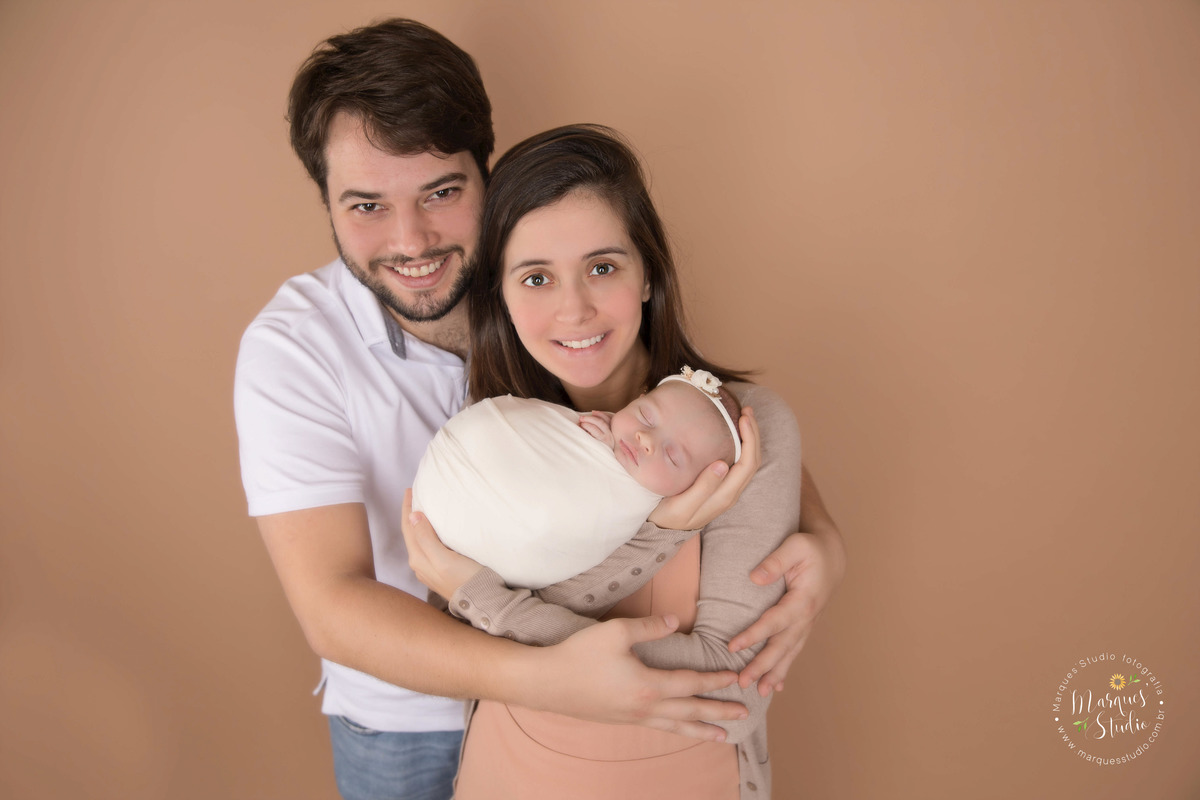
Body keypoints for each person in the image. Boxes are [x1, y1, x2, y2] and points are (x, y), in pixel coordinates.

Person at [234, 18, 844, 800]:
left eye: (441, 192)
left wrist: (822, 534)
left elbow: (728, 433)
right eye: (366, 205)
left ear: (486, 180)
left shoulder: (552, 299)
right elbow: (333, 606)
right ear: (325, 201)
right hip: (403, 720)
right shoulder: (295, 349)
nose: (412, 239)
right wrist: (553, 673)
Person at [403, 124, 801, 799]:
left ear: (647, 274)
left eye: (602, 267)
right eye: (536, 277)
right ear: (500, 294)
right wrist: (662, 534)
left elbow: (731, 690)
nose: (574, 309)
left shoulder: (742, 436)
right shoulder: (493, 438)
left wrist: (494, 604)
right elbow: (470, 652)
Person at [413, 366, 743, 590]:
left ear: (701, 484)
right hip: (445, 493)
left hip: (480, 558)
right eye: (645, 415)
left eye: (672, 457)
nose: (646, 439)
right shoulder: (606, 428)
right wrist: (599, 441)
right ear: (640, 398)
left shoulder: (652, 508)